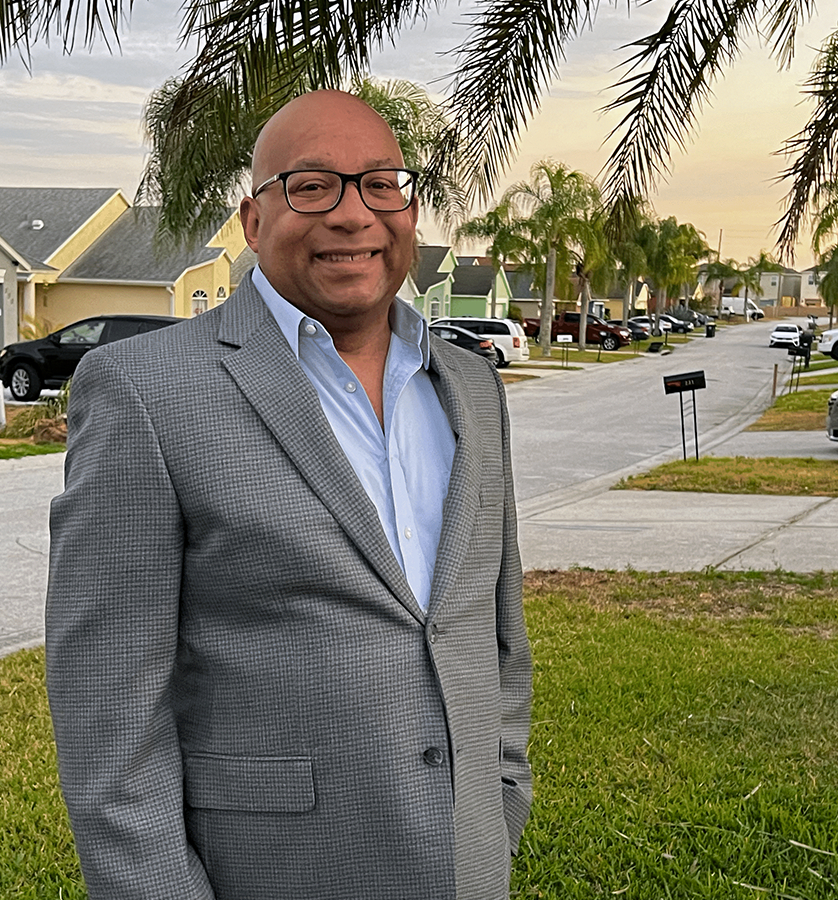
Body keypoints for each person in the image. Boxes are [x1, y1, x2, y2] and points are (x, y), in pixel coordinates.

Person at [45, 89, 531, 900]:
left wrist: (501, 795)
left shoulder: (471, 388)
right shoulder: (145, 391)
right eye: (311, 186)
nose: (354, 215)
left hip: (466, 866)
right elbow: (107, 706)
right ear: (253, 219)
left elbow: (496, 629)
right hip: (270, 873)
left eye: (382, 183)